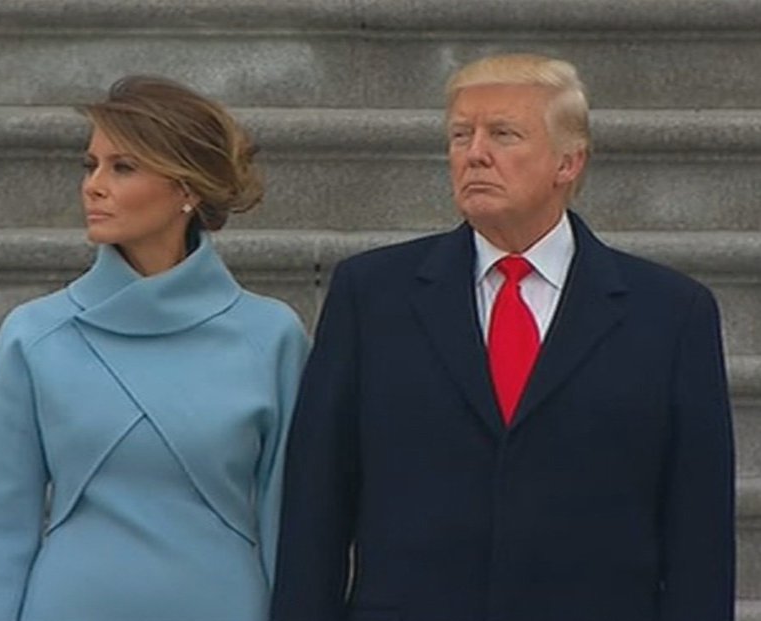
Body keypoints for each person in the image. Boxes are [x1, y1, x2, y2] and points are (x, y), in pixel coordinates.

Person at [272, 53, 735, 621]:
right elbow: (318, 500)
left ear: (569, 161)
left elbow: (699, 527)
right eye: (460, 135)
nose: (475, 154)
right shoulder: (372, 295)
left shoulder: (669, 312)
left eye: (503, 134)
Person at [0, 76, 308, 621]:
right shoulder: (35, 335)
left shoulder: (271, 336)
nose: (93, 185)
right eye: (90, 165)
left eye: (123, 167)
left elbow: (295, 529)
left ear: (187, 188)